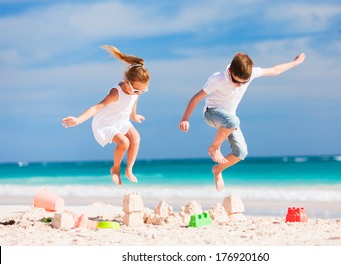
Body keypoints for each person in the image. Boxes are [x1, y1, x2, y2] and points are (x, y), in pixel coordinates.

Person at [179, 52, 305, 191]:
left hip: (230, 121)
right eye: (236, 81)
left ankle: (217, 170)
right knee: (233, 120)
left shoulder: (251, 74)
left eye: (243, 82)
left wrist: (296, 63)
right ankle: (214, 147)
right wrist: (185, 118)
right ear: (229, 71)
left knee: (241, 152)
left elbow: (275, 71)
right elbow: (196, 98)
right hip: (212, 113)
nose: (239, 85)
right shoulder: (218, 78)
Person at [62, 45, 150, 186]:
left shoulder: (135, 91)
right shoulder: (116, 92)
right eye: (136, 90)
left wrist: (134, 116)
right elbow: (98, 106)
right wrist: (78, 120)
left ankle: (129, 169)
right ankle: (115, 169)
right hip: (106, 123)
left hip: (121, 120)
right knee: (124, 142)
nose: (138, 93)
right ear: (127, 82)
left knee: (136, 138)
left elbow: (133, 103)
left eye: (143, 91)